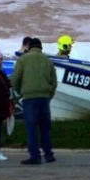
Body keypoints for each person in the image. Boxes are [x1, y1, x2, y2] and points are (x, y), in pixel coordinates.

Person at [10, 37, 57, 165]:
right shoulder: (48, 60)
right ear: (41, 47)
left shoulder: (23, 59)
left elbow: (15, 79)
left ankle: (35, 156)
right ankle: (48, 154)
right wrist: (49, 95)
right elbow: (54, 81)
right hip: (44, 98)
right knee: (45, 128)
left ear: (29, 47)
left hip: (29, 98)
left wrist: (20, 92)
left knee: (32, 128)